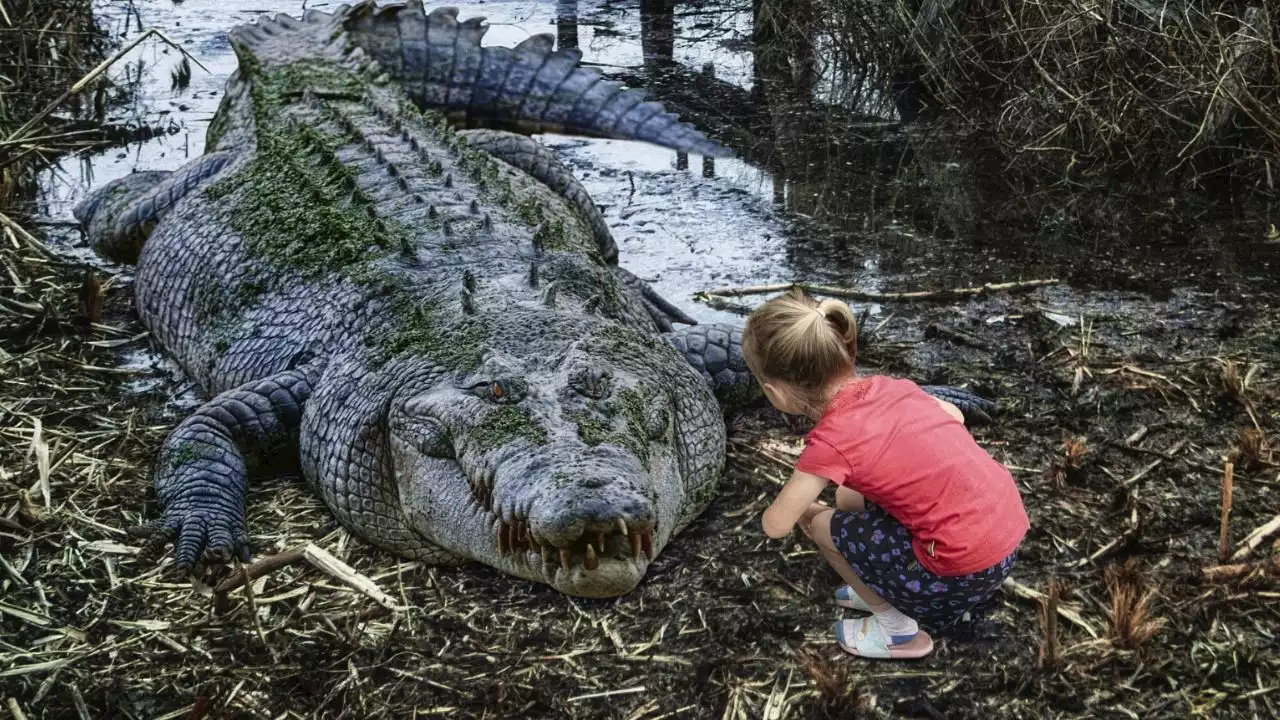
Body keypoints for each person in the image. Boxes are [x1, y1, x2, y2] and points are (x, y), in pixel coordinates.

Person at [741, 288, 1028, 660]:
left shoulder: (830, 444)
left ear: (775, 393)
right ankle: (884, 579)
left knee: (825, 525)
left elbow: (776, 526)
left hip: (958, 575)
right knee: (848, 497)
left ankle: (899, 632)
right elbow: (954, 416)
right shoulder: (893, 388)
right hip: (1004, 546)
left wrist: (803, 513)